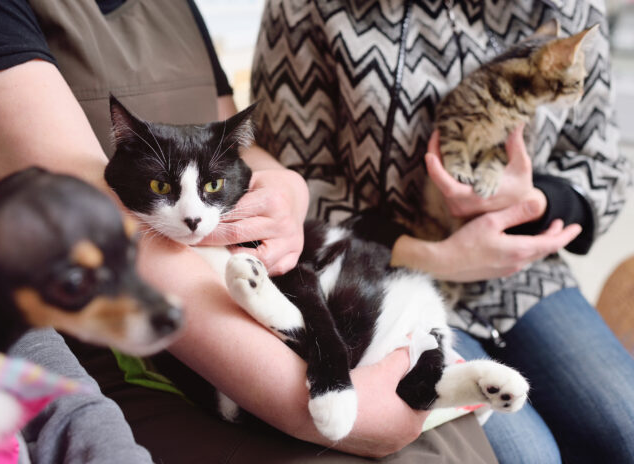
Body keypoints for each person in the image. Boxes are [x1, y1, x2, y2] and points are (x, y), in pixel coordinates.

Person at [0, 0, 496, 462]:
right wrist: (322, 402)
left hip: (264, 304)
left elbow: (237, 146)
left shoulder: (177, 6)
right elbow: (90, 210)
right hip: (126, 355)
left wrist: (285, 187)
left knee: (475, 441)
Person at [251, 0, 634, 462]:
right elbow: (293, 179)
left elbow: (604, 167)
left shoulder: (564, 8)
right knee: (530, 457)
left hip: (524, 276)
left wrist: (533, 202)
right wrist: (438, 257)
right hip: (389, 279)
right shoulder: (306, 9)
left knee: (625, 427)